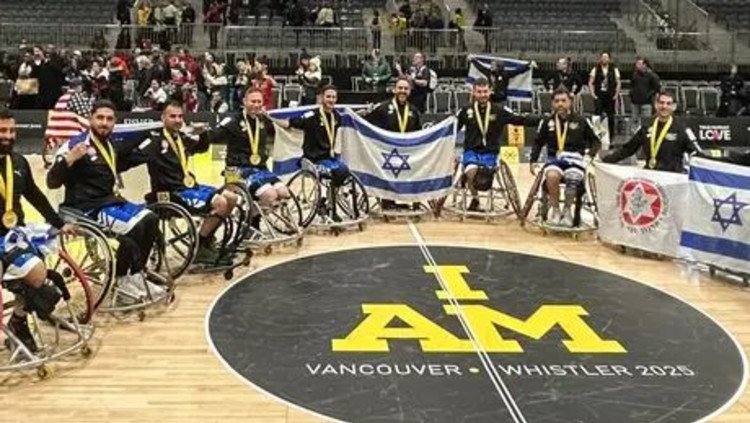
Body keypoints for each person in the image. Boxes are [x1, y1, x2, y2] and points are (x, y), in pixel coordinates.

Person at [47, 100, 163, 300]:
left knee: (151, 219)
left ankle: (136, 274)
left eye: (109, 119)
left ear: (114, 122)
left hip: (109, 202)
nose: (104, 123)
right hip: (85, 208)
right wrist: (68, 160)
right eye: (100, 118)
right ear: (90, 118)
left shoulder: (109, 144)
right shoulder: (75, 145)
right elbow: (51, 182)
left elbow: (120, 163)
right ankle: (122, 280)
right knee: (133, 230)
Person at [0, 108, 76, 352]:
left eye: (11, 130)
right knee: (36, 275)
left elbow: (34, 196)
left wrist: (59, 223)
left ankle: (18, 321)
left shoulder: (19, 162)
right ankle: (20, 321)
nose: (8, 136)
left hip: (15, 233)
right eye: (2, 130)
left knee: (39, 275)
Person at [132, 100, 238, 265]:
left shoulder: (181, 137)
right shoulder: (154, 140)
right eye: (173, 116)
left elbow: (201, 148)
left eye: (180, 116)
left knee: (231, 198)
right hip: (168, 193)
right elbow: (133, 156)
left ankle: (206, 240)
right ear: (163, 118)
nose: (177, 120)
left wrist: (202, 133)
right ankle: (199, 247)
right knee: (220, 203)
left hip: (187, 187)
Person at [457, 78, 540, 212]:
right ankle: (475, 199)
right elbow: (452, 128)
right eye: (479, 92)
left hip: (491, 153)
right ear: (473, 92)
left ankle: (477, 189)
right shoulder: (465, 111)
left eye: (485, 91)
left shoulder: (499, 110)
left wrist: (542, 119)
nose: (482, 95)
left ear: (490, 91)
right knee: (471, 170)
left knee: (486, 173)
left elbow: (520, 119)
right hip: (471, 151)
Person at [200, 88, 290, 208]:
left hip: (260, 168)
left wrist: (270, 116)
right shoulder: (233, 121)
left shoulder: (264, 120)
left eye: (259, 102)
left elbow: (284, 128)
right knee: (270, 195)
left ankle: (255, 212)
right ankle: (252, 217)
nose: (256, 105)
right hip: (236, 170)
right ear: (244, 101)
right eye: (253, 101)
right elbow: (213, 136)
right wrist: (200, 133)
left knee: (284, 193)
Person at [276, 85, 350, 220]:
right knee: (335, 172)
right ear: (321, 98)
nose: (331, 100)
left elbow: (351, 118)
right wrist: (270, 117)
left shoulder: (336, 116)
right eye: (328, 97)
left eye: (334, 97)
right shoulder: (311, 116)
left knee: (344, 170)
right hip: (312, 160)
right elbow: (289, 123)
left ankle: (330, 202)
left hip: (329, 158)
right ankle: (323, 202)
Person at [530, 88, 601, 227]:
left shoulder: (582, 120)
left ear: (570, 102)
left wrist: (590, 155)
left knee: (573, 176)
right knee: (551, 176)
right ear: (552, 103)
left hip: (576, 160)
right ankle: (555, 210)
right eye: (557, 101)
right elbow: (537, 142)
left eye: (563, 100)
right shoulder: (547, 121)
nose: (560, 104)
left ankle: (567, 211)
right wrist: (533, 161)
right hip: (554, 160)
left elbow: (596, 141)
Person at [603, 89, 698, 173]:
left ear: (674, 106)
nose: (664, 106)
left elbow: (695, 153)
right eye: (661, 103)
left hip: (673, 177)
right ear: (656, 105)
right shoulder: (646, 126)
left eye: (668, 103)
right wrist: (605, 160)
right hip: (650, 175)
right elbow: (628, 149)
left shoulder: (682, 128)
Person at [364, 77, 422, 211]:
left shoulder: (414, 111)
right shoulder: (382, 108)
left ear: (410, 91)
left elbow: (419, 134)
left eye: (406, 89)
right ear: (394, 90)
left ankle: (413, 199)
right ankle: (387, 201)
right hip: (386, 154)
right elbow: (367, 125)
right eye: (400, 88)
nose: (403, 91)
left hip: (408, 154)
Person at [588, 51, 621, 140]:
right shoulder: (595, 69)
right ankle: (598, 136)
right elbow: (590, 82)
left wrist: (616, 94)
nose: (604, 59)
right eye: (603, 57)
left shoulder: (614, 69)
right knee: (597, 116)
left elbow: (618, 83)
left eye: (606, 57)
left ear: (609, 59)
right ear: (600, 59)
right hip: (599, 95)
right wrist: (593, 94)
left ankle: (610, 136)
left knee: (611, 116)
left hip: (610, 95)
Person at [630, 57, 660, 134]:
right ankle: (634, 135)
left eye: (639, 63)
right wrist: (632, 94)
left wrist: (648, 95)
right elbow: (632, 85)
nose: (637, 65)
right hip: (635, 102)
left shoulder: (652, 76)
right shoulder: (634, 75)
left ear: (645, 65)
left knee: (646, 121)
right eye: (637, 64)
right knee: (634, 119)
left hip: (646, 102)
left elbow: (656, 88)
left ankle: (645, 135)